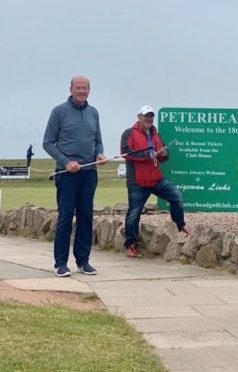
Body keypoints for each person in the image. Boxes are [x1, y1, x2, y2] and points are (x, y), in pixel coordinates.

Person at [43, 75, 106, 277]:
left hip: (89, 172)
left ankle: (83, 261)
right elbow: (48, 143)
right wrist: (66, 162)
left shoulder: (93, 113)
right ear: (70, 89)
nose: (81, 91)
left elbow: (98, 140)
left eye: (84, 88)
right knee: (66, 217)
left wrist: (100, 153)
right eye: (78, 87)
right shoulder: (59, 112)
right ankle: (60, 263)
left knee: (86, 217)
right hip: (67, 173)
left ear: (89, 90)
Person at [121, 105, 188, 258]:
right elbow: (126, 153)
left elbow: (164, 157)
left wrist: (163, 154)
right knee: (134, 213)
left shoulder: (155, 134)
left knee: (176, 196)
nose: (149, 119)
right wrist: (147, 154)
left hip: (156, 179)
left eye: (151, 116)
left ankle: (180, 227)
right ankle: (131, 245)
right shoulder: (129, 133)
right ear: (139, 117)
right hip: (137, 181)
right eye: (146, 116)